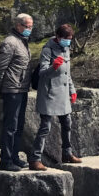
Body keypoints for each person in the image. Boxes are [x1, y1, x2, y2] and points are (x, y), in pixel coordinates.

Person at [29, 23, 82, 169]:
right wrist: (54, 66)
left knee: (67, 124)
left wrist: (72, 90)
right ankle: (35, 159)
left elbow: (67, 74)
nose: (68, 41)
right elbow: (42, 73)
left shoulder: (66, 49)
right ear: (58, 37)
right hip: (49, 94)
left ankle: (67, 153)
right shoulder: (47, 49)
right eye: (66, 39)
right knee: (45, 127)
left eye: (70, 39)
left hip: (63, 94)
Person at [0, 13, 33, 171]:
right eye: (28, 26)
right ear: (18, 25)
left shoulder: (22, 41)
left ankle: (15, 157)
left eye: (31, 26)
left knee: (19, 126)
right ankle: (6, 160)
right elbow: (0, 69)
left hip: (22, 89)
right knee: (10, 126)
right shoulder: (10, 42)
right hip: (11, 90)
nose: (30, 29)